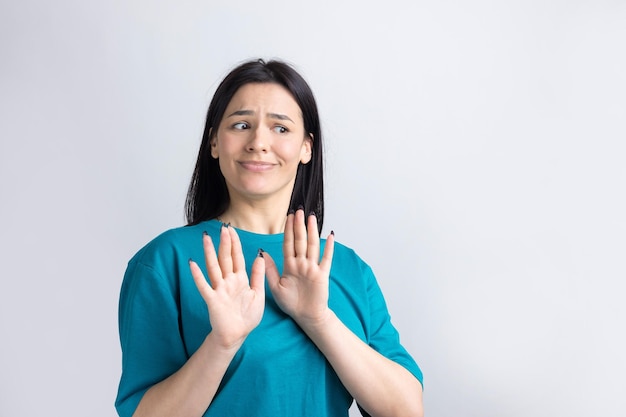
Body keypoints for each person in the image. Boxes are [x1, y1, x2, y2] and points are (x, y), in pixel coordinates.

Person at [115, 58, 424, 417]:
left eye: (280, 129)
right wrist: (221, 343)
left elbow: (406, 410)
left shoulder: (347, 269)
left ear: (306, 147)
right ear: (214, 142)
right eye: (241, 125)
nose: (259, 142)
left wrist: (319, 319)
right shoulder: (164, 262)